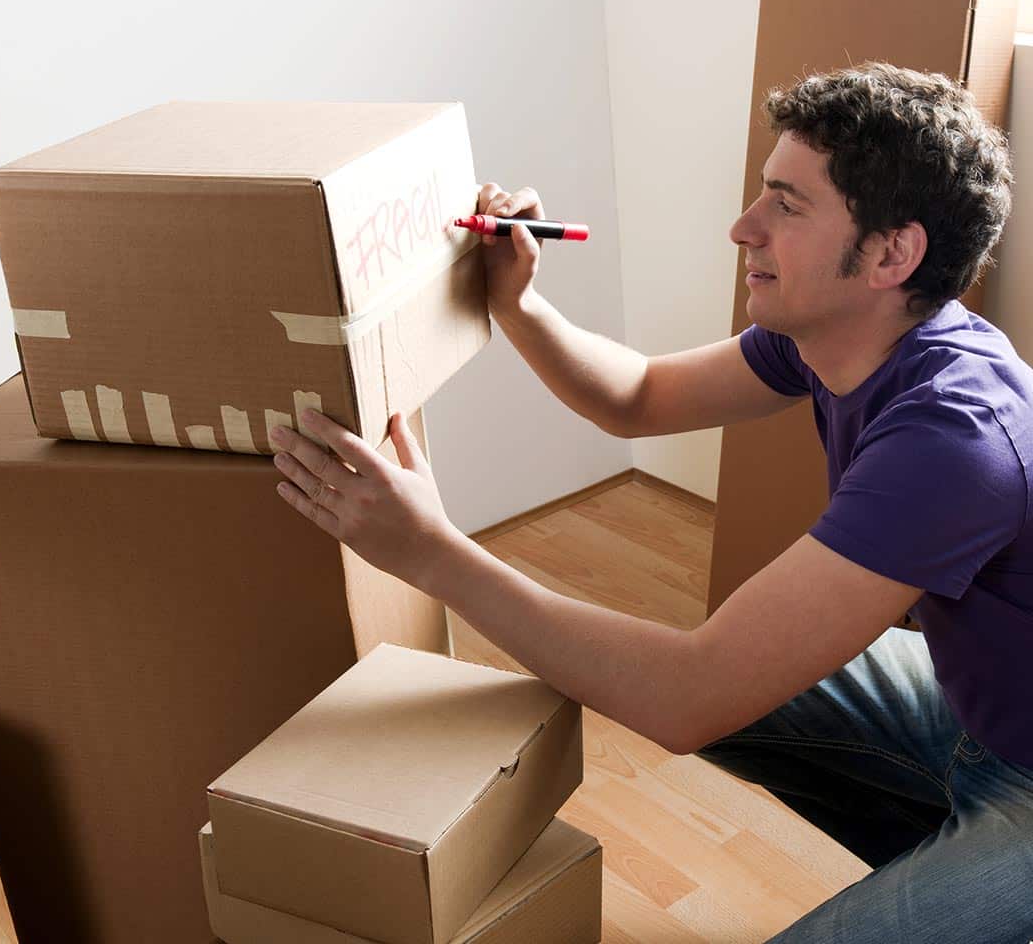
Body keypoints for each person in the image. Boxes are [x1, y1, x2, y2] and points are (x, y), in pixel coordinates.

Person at [268, 62, 1033, 941]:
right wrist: (516, 303)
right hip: (974, 703)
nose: (742, 227)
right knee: (701, 664)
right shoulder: (844, 338)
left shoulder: (957, 438)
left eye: (786, 206)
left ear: (892, 255)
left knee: (693, 683)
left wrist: (430, 552)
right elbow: (634, 395)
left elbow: (684, 702)